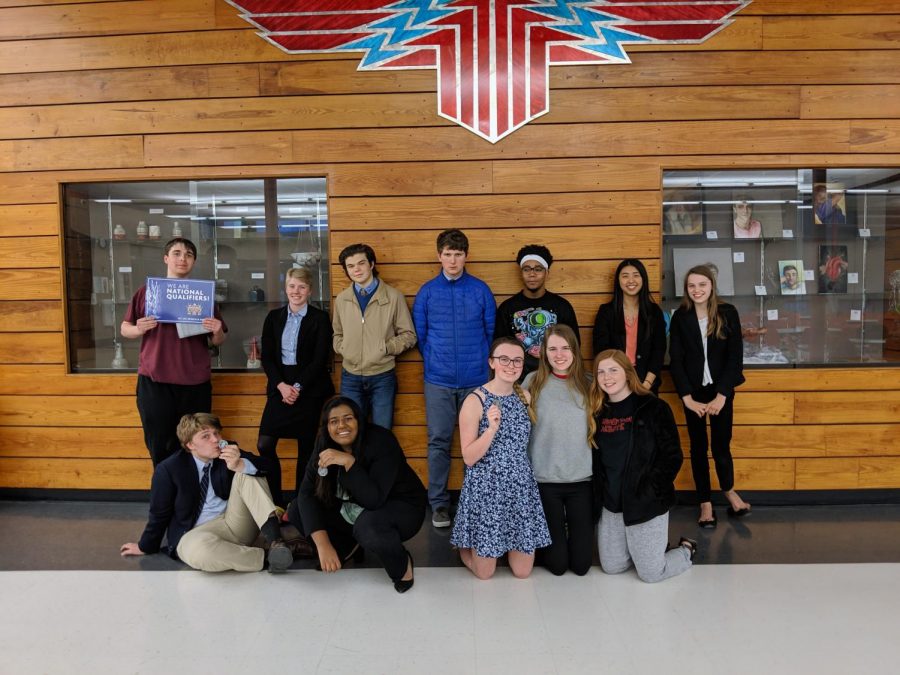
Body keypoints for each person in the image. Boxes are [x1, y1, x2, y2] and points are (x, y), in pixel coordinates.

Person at [120, 413, 293, 573]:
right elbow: (159, 513)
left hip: (234, 522)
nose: (216, 440)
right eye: (206, 436)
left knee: (248, 474)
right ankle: (269, 559)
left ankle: (276, 543)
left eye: (217, 434)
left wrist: (241, 464)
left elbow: (270, 469)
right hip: (196, 533)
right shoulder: (168, 469)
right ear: (190, 444)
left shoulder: (229, 451)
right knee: (199, 552)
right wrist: (145, 546)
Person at [290, 397, 426, 593]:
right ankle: (344, 548)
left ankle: (402, 564)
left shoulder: (382, 440)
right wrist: (323, 545)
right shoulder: (324, 443)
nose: (341, 426)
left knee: (368, 526)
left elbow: (374, 499)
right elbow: (305, 494)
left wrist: (349, 462)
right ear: (327, 427)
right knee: (296, 509)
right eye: (334, 421)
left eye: (348, 418)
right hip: (354, 506)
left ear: (359, 420)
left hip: (400, 507)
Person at [589, 350, 696, 583]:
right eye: (601, 372)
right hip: (611, 504)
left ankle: (686, 549)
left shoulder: (654, 407)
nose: (607, 377)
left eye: (613, 370)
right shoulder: (597, 412)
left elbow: (672, 456)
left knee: (650, 574)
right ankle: (647, 548)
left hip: (644, 502)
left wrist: (651, 489)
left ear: (628, 373)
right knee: (612, 567)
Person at [412, 228, 495, 528]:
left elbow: (490, 331)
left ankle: (481, 502)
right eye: (447, 254)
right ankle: (439, 505)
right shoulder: (427, 292)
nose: (453, 260)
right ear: (439, 256)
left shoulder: (480, 290)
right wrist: (437, 360)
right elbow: (421, 337)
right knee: (439, 441)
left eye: (458, 254)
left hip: (476, 380)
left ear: (466, 256)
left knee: (481, 442)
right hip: (439, 381)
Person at [121, 237, 227, 467]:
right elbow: (125, 328)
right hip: (155, 380)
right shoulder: (147, 292)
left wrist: (217, 330)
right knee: (159, 444)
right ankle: (165, 499)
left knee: (198, 446)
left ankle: (195, 499)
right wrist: (138, 328)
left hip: (194, 382)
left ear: (194, 261)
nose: (183, 258)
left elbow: (218, 338)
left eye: (189, 254)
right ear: (166, 258)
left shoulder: (202, 295)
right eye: (177, 253)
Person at [451, 338, 550, 580]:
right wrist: (491, 430)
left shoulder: (524, 396)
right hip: (487, 491)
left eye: (517, 360)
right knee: (484, 574)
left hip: (519, 488)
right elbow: (469, 457)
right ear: (492, 362)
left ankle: (499, 544)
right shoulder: (476, 401)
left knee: (523, 572)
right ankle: (467, 544)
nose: (511, 365)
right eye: (504, 359)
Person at [669, 265, 751, 528]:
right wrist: (687, 397)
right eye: (691, 286)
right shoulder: (681, 317)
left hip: (720, 391)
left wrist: (723, 395)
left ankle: (728, 490)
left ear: (712, 286)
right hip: (693, 393)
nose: (697, 290)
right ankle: (704, 502)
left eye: (702, 284)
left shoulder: (727, 313)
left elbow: (734, 357)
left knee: (721, 446)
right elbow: (677, 361)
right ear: (686, 289)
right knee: (698, 448)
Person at [258, 267, 334, 506]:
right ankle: (277, 501)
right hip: (279, 386)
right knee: (264, 444)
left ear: (309, 290)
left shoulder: (319, 318)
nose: (296, 291)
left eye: (301, 287)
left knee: (306, 449)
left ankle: (300, 503)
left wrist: (298, 386)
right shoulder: (273, 317)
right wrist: (281, 385)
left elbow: (320, 358)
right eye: (292, 286)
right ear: (286, 288)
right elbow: (267, 357)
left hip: (309, 388)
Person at [522, 325, 593, 576]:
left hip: (581, 480)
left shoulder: (589, 383)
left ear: (575, 350)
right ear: (544, 352)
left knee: (582, 565)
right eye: (553, 348)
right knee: (558, 565)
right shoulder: (532, 382)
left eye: (565, 348)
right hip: (544, 480)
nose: (559, 354)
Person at [332, 243, 417, 429]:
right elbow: (337, 334)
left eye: (361, 263)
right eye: (351, 266)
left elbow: (409, 335)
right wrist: (344, 348)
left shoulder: (394, 297)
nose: (357, 269)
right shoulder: (342, 299)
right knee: (351, 432)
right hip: (350, 376)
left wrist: (385, 348)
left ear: (371, 264)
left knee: (382, 432)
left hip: (382, 376)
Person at [494, 244, 579, 377]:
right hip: (517, 379)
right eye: (527, 269)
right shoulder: (507, 308)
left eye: (538, 269)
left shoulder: (562, 306)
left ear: (547, 272)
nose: (532, 274)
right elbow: (500, 349)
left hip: (553, 377)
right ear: (521, 272)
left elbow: (574, 345)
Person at [592, 259, 666, 393]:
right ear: (618, 281)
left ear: (643, 279)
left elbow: (659, 350)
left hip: (646, 382)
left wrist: (647, 384)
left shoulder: (654, 312)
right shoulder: (606, 312)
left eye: (636, 275)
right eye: (625, 276)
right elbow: (601, 350)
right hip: (614, 382)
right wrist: (616, 381)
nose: (631, 280)